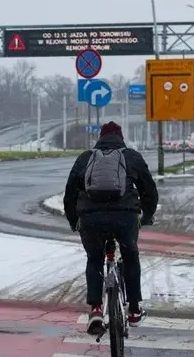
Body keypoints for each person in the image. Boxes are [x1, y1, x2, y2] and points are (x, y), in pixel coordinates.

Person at [64, 121, 158, 335]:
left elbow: (69, 194)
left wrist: (74, 222)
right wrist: (147, 216)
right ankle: (134, 309)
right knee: (131, 255)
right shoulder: (131, 156)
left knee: (94, 258)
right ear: (121, 137)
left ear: (100, 138)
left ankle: (96, 309)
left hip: (91, 220)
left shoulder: (85, 158)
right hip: (125, 218)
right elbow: (149, 191)